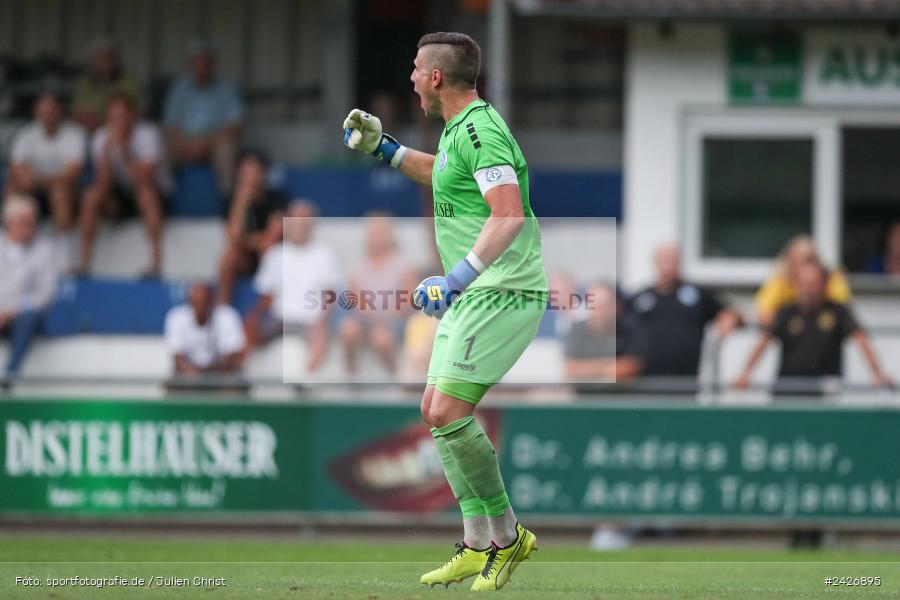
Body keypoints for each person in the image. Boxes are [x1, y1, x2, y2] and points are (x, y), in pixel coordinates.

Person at [342, 32, 543, 590]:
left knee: (449, 411)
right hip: (478, 290)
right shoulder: (459, 130)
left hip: (503, 289)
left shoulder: (482, 130)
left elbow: (508, 217)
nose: (408, 78)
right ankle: (479, 543)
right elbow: (442, 174)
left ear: (435, 78)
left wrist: (456, 279)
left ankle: (507, 537)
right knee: (434, 409)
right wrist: (385, 149)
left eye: (413, 68)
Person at [735, 262, 892, 389]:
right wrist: (745, 374)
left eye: (813, 284)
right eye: (804, 284)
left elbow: (861, 340)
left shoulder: (838, 312)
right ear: (795, 285)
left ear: (825, 285)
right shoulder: (786, 312)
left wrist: (878, 374)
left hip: (825, 393)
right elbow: (763, 343)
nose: (808, 289)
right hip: (788, 391)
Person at [78, 94, 172, 277]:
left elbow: (144, 178)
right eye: (113, 117)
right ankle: (85, 262)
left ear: (133, 116)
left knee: (145, 194)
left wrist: (124, 150)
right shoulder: (101, 138)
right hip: (122, 196)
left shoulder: (148, 134)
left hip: (156, 195)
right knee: (91, 196)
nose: (117, 122)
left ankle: (155, 261)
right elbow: (103, 183)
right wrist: (105, 156)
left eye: (122, 116)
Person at [245, 202, 339, 373]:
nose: (300, 226)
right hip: (278, 320)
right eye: (296, 221)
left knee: (320, 343)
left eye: (304, 221)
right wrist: (254, 320)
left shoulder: (324, 254)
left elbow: (330, 296)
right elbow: (265, 296)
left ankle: (303, 387)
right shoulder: (274, 255)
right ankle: (240, 384)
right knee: (246, 333)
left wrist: (321, 323)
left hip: (309, 321)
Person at [627, 243, 741, 377]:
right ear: (655, 263)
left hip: (685, 381)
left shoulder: (697, 295)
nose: (668, 265)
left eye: (672, 260)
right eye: (664, 260)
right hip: (645, 381)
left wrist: (729, 319)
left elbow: (731, 313)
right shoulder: (639, 299)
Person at [339, 213, 418, 374]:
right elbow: (357, 301)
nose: (375, 237)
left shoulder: (404, 265)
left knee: (381, 338)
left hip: (396, 320)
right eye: (372, 233)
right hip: (367, 320)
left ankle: (397, 377)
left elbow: (409, 300)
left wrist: (385, 319)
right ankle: (351, 378)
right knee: (347, 329)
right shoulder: (358, 267)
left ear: (389, 235)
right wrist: (373, 318)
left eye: (379, 232)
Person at [164, 40, 243, 193]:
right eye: (197, 61)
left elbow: (235, 126)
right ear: (190, 64)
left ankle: (227, 200)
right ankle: (163, 197)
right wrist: (187, 145)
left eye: (206, 61)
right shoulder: (180, 89)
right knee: (159, 149)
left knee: (226, 148)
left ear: (213, 64)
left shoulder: (226, 89)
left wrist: (204, 144)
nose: (202, 66)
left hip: (213, 141)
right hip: (184, 141)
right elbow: (170, 123)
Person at [7, 92, 86, 231]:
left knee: (59, 189)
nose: (47, 116)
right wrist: (27, 177)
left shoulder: (74, 133)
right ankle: (11, 237)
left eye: (51, 111)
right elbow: (16, 166)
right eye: (43, 112)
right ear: (36, 112)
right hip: (36, 189)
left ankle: (63, 238)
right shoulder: (27, 134)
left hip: (67, 192)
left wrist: (40, 179)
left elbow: (72, 174)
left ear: (59, 111)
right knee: (13, 186)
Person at [217, 150, 286, 304]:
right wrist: (241, 200)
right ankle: (223, 310)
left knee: (268, 251)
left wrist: (245, 241)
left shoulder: (276, 199)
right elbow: (232, 238)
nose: (250, 180)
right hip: (246, 259)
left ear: (263, 174)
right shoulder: (232, 201)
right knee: (229, 257)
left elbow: (269, 240)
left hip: (272, 258)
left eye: (255, 174)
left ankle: (273, 308)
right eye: (245, 174)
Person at [0, 195, 58, 378]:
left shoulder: (44, 248)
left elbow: (46, 292)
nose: (29, 229)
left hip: (21, 316)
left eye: (32, 223)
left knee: (29, 317)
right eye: (23, 223)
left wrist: (10, 311)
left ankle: (10, 376)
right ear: (9, 222)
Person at [755, 235, 850, 328]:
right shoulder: (780, 281)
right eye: (797, 262)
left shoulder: (832, 279)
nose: (802, 269)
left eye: (808, 262)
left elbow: (843, 313)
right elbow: (764, 315)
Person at [564, 282, 643, 385]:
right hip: (584, 396)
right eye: (594, 306)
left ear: (615, 307)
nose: (600, 312)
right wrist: (608, 366)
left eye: (604, 306)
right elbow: (571, 369)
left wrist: (586, 369)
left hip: (621, 396)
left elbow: (632, 366)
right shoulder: (577, 330)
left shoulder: (629, 329)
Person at [164, 282, 245, 375]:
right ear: (190, 303)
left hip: (220, 376)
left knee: (232, 383)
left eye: (204, 302)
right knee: (172, 383)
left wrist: (204, 374)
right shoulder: (176, 317)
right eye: (197, 302)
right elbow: (177, 359)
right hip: (190, 376)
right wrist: (193, 373)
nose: (201, 307)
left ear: (212, 302)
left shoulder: (228, 316)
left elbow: (231, 358)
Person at [72, 38, 142, 132]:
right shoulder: (85, 83)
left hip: (123, 130)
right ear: (93, 60)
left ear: (116, 59)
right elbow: (77, 112)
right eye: (100, 57)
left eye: (109, 57)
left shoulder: (129, 81)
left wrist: (110, 121)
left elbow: (138, 111)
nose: (104, 61)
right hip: (89, 131)